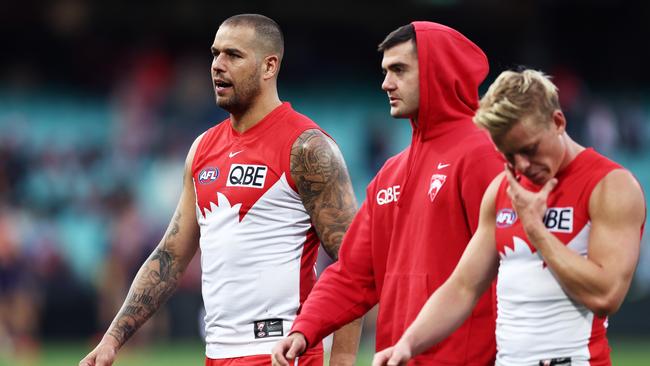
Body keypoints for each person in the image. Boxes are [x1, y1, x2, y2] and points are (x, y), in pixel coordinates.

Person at [79, 13, 362, 366]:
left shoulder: (307, 148)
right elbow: (170, 255)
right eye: (215, 54)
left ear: (269, 65)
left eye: (233, 55)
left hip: (282, 351)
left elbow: (355, 261)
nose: (217, 65)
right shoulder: (202, 149)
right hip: (216, 353)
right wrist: (112, 339)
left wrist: (344, 360)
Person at [372, 69, 646, 366]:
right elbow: (463, 286)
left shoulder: (611, 185)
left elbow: (606, 296)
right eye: (509, 155)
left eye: (530, 149)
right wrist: (407, 344)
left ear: (558, 122)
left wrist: (536, 230)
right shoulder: (502, 189)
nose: (522, 166)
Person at [272, 22, 503, 365]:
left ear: (437, 73)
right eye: (385, 71)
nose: (386, 83)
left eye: (399, 70)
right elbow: (354, 275)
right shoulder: (390, 174)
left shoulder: (484, 156)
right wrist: (304, 329)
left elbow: (512, 269)